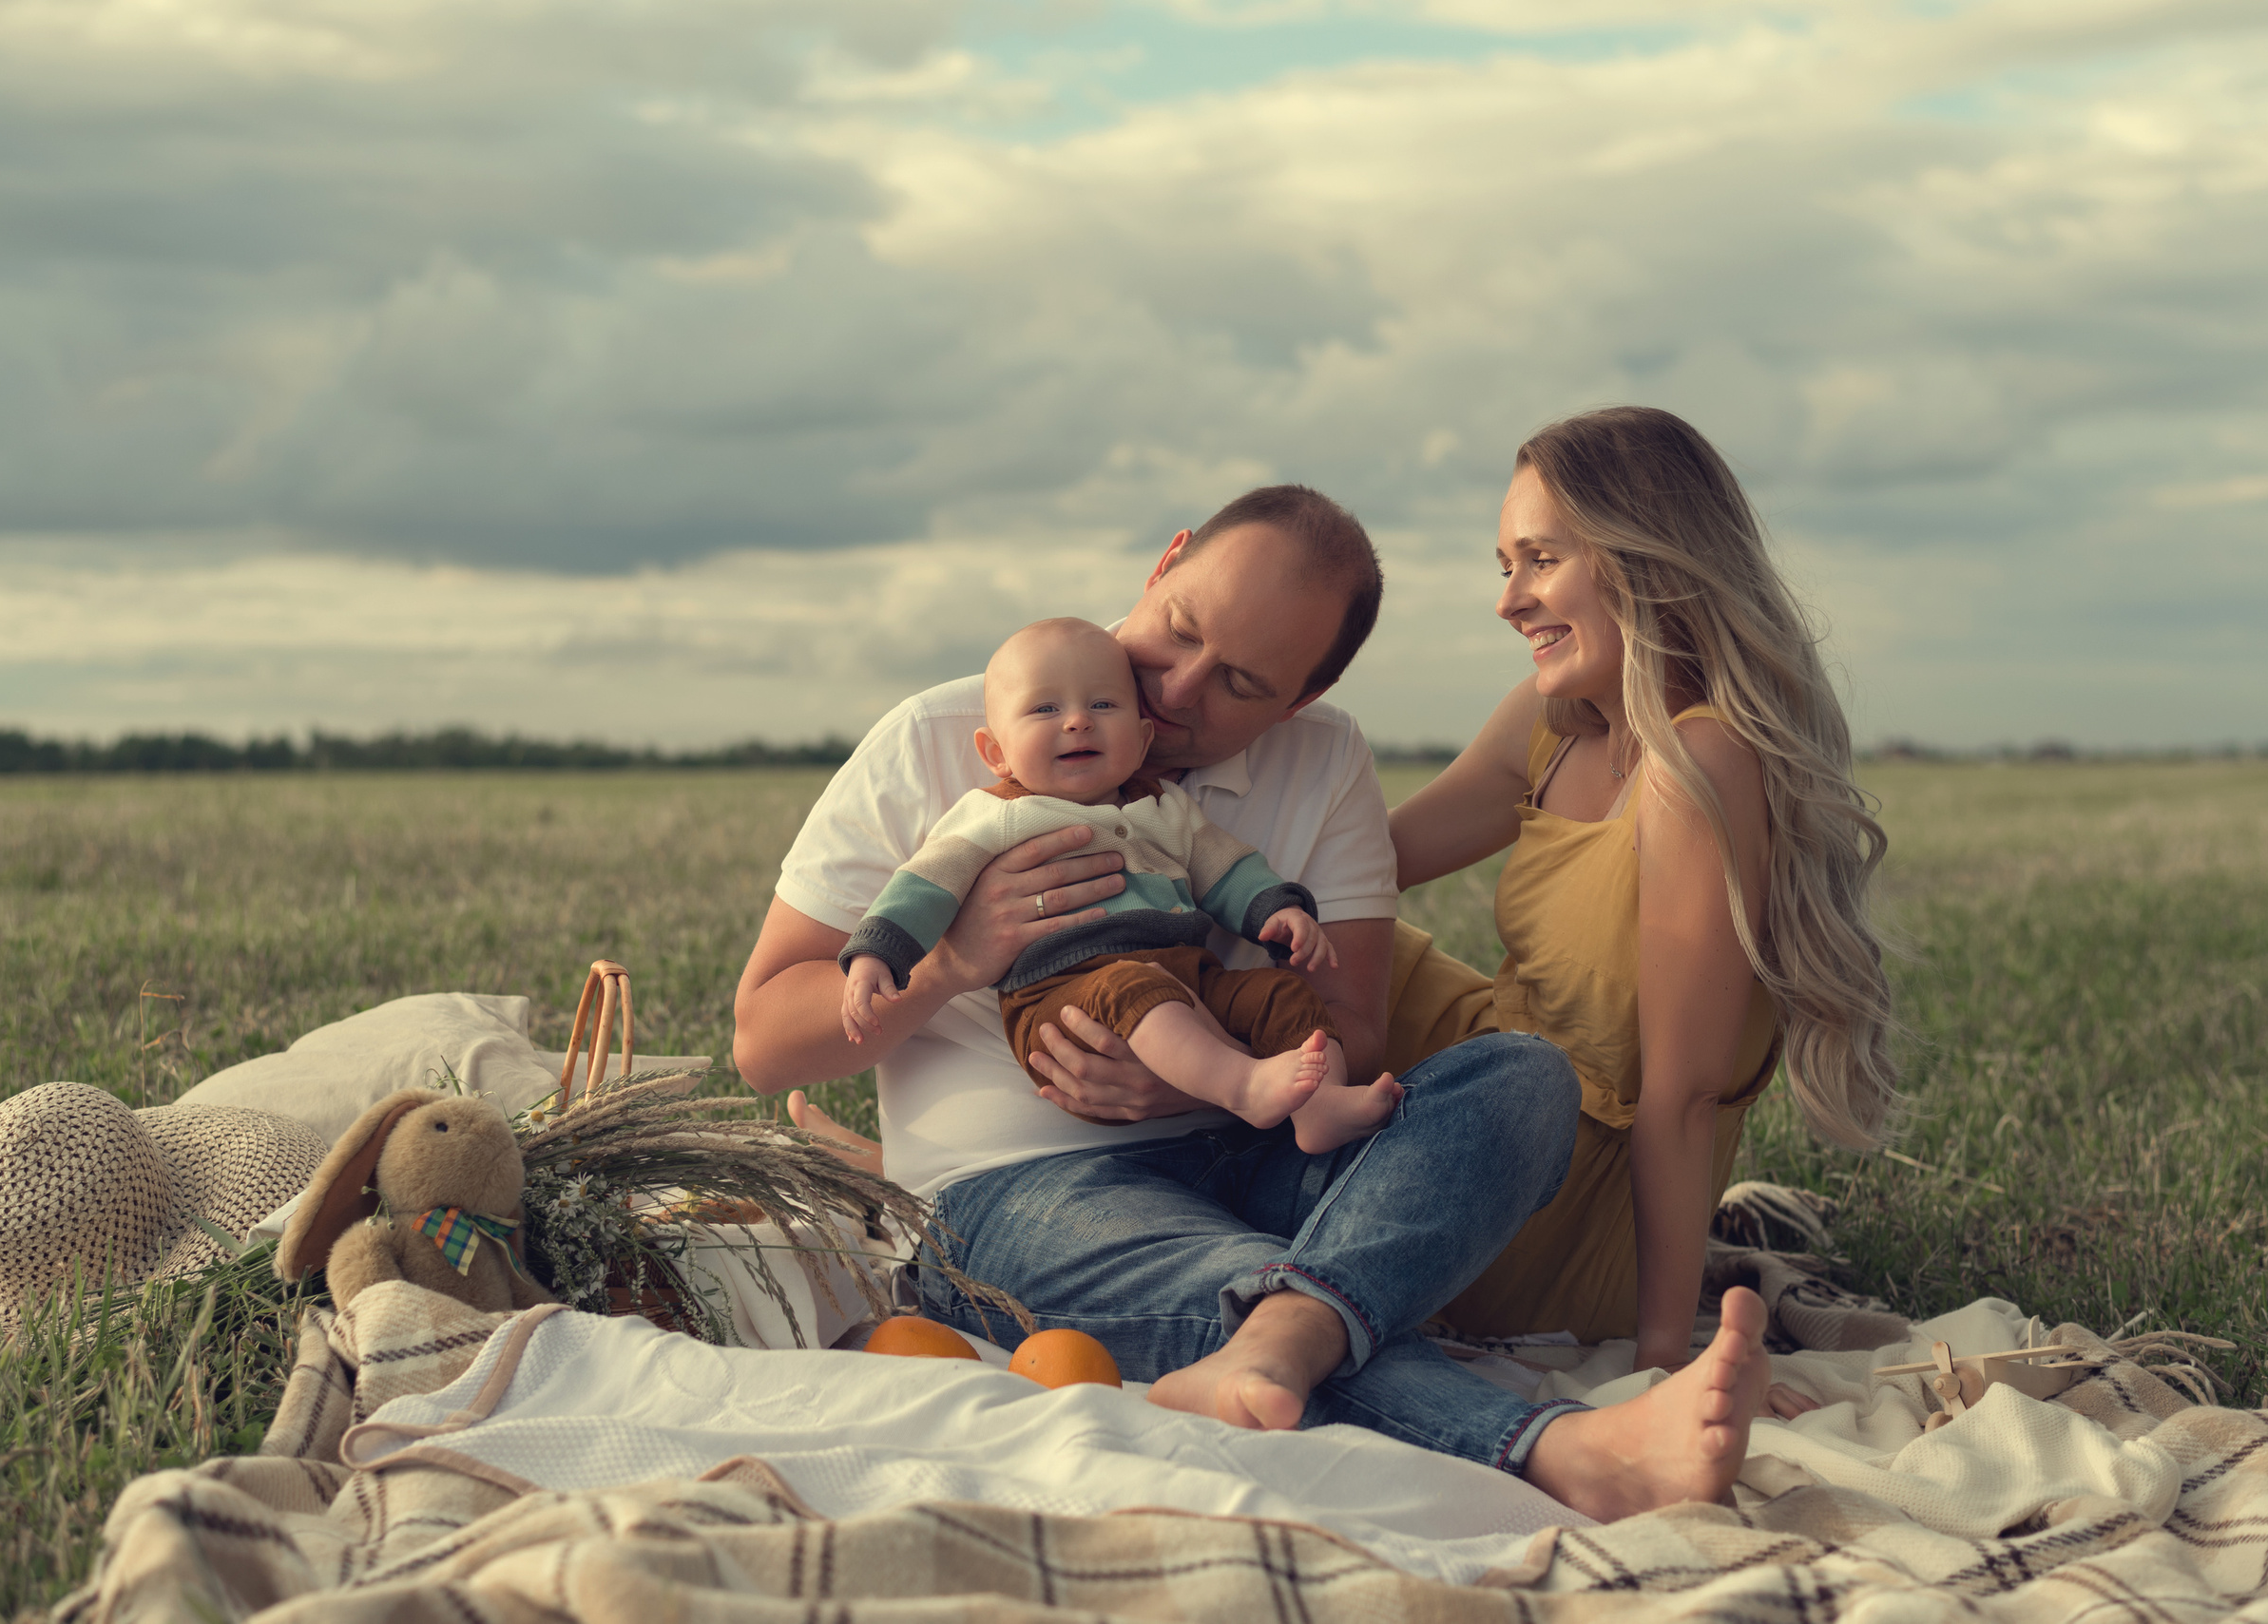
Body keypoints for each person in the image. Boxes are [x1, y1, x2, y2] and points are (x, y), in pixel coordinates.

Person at [736, 482, 1777, 1521]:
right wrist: (954, 962)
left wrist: (1190, 1082)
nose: (1177, 691)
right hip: (1020, 1190)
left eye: (1238, 682)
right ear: (1164, 563)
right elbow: (763, 1041)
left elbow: (1356, 1039)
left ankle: (1285, 1327)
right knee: (1248, 1276)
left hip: (1263, 1152)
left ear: (1295, 704)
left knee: (1521, 1079)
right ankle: (1555, 1443)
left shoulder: (1323, 764)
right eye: (1178, 628)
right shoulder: (946, 735)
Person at [1386, 406, 1900, 1378]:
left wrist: (1662, 1358)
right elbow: (1360, 864)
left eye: (1539, 558)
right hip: (1492, 1084)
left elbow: (1683, 1093)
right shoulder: (1553, 723)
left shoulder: (1699, 760)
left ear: (1645, 558)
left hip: (1556, 1207)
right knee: (1306, 932)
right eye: (1506, 564)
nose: (1510, 600)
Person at [839, 616, 1403, 1154]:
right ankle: (1245, 1089)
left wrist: (1274, 910)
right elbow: (928, 881)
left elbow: (1226, 865)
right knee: (1135, 987)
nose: (1078, 721)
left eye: (1102, 705)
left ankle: (1319, 1107)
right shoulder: (998, 815)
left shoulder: (1163, 807)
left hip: (1189, 977)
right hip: (1065, 1001)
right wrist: (878, 951)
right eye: (1044, 708)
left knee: (1282, 994)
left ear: (1140, 739)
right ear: (996, 753)